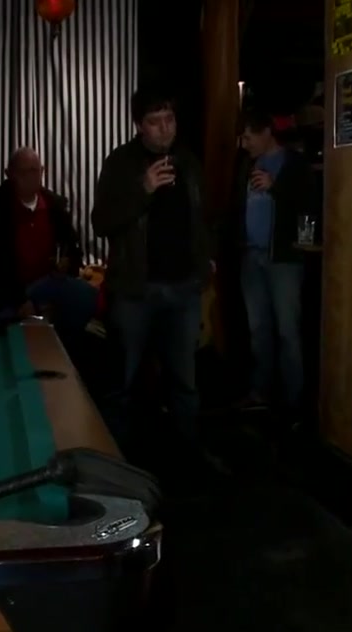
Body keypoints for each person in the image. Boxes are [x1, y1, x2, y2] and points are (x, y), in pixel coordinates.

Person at [91, 87, 215, 447]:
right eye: (154, 121)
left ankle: (187, 456)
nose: (164, 128)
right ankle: (116, 459)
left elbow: (204, 218)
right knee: (122, 382)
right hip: (136, 289)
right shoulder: (121, 163)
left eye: (169, 119)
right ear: (139, 126)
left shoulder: (188, 162)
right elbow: (101, 222)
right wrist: (142, 189)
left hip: (184, 288)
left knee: (185, 382)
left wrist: (207, 259)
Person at [229, 108, 317, 419]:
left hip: (283, 259)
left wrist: (275, 186)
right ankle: (260, 393)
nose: (244, 144)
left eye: (248, 137)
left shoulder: (294, 164)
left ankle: (293, 402)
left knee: (287, 331)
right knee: (258, 329)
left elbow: (310, 203)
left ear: (266, 132)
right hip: (251, 256)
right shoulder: (246, 163)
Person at [0, 147, 96, 338]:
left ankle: (64, 345)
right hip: (5, 291)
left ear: (42, 172)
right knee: (9, 329)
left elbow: (73, 248)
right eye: (23, 172)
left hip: (48, 284)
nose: (30, 177)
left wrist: (67, 263)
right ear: (9, 174)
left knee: (86, 297)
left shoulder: (55, 207)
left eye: (34, 171)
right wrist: (20, 299)